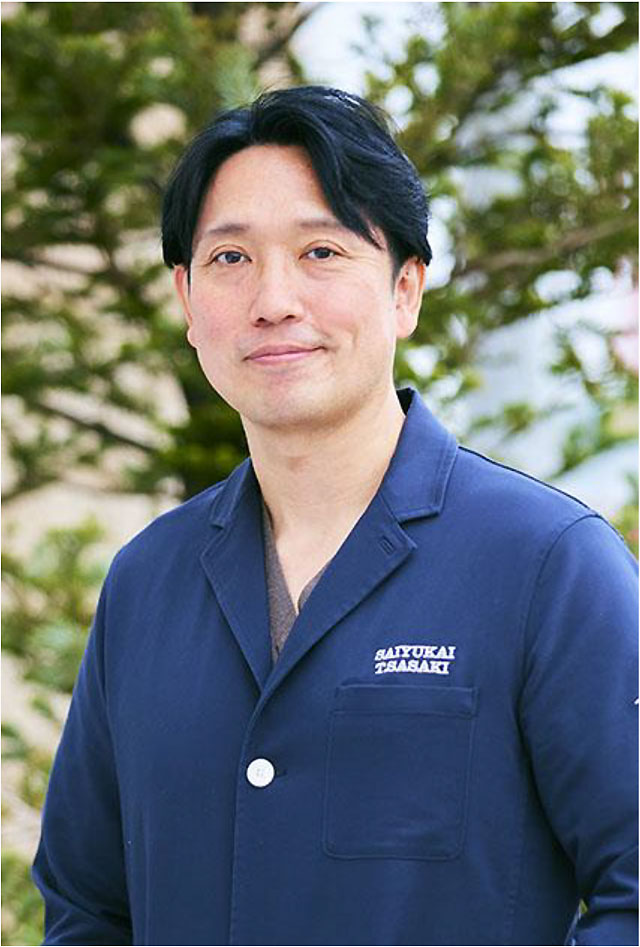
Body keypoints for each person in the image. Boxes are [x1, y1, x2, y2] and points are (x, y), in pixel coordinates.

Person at [32, 86, 637, 947]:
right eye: (231, 257)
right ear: (187, 300)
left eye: (321, 250)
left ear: (406, 290)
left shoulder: (548, 564)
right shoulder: (147, 582)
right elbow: (86, 908)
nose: (274, 299)